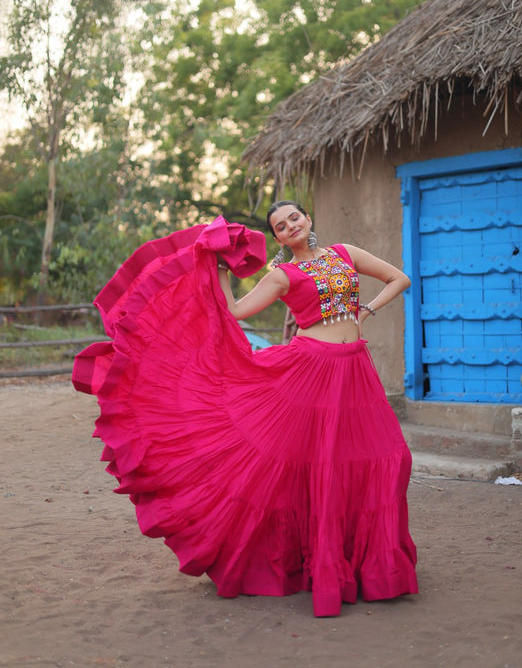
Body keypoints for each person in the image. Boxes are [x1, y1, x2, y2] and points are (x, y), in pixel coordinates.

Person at [72, 201, 418, 618]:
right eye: (280, 226)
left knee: (390, 457)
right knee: (317, 467)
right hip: (310, 372)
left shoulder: (345, 253)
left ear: (308, 219)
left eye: (294, 218)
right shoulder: (282, 275)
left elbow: (399, 278)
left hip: (356, 370)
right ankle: (318, 567)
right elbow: (235, 312)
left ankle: (374, 566)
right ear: (276, 238)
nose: (290, 226)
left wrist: (367, 309)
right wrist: (217, 264)